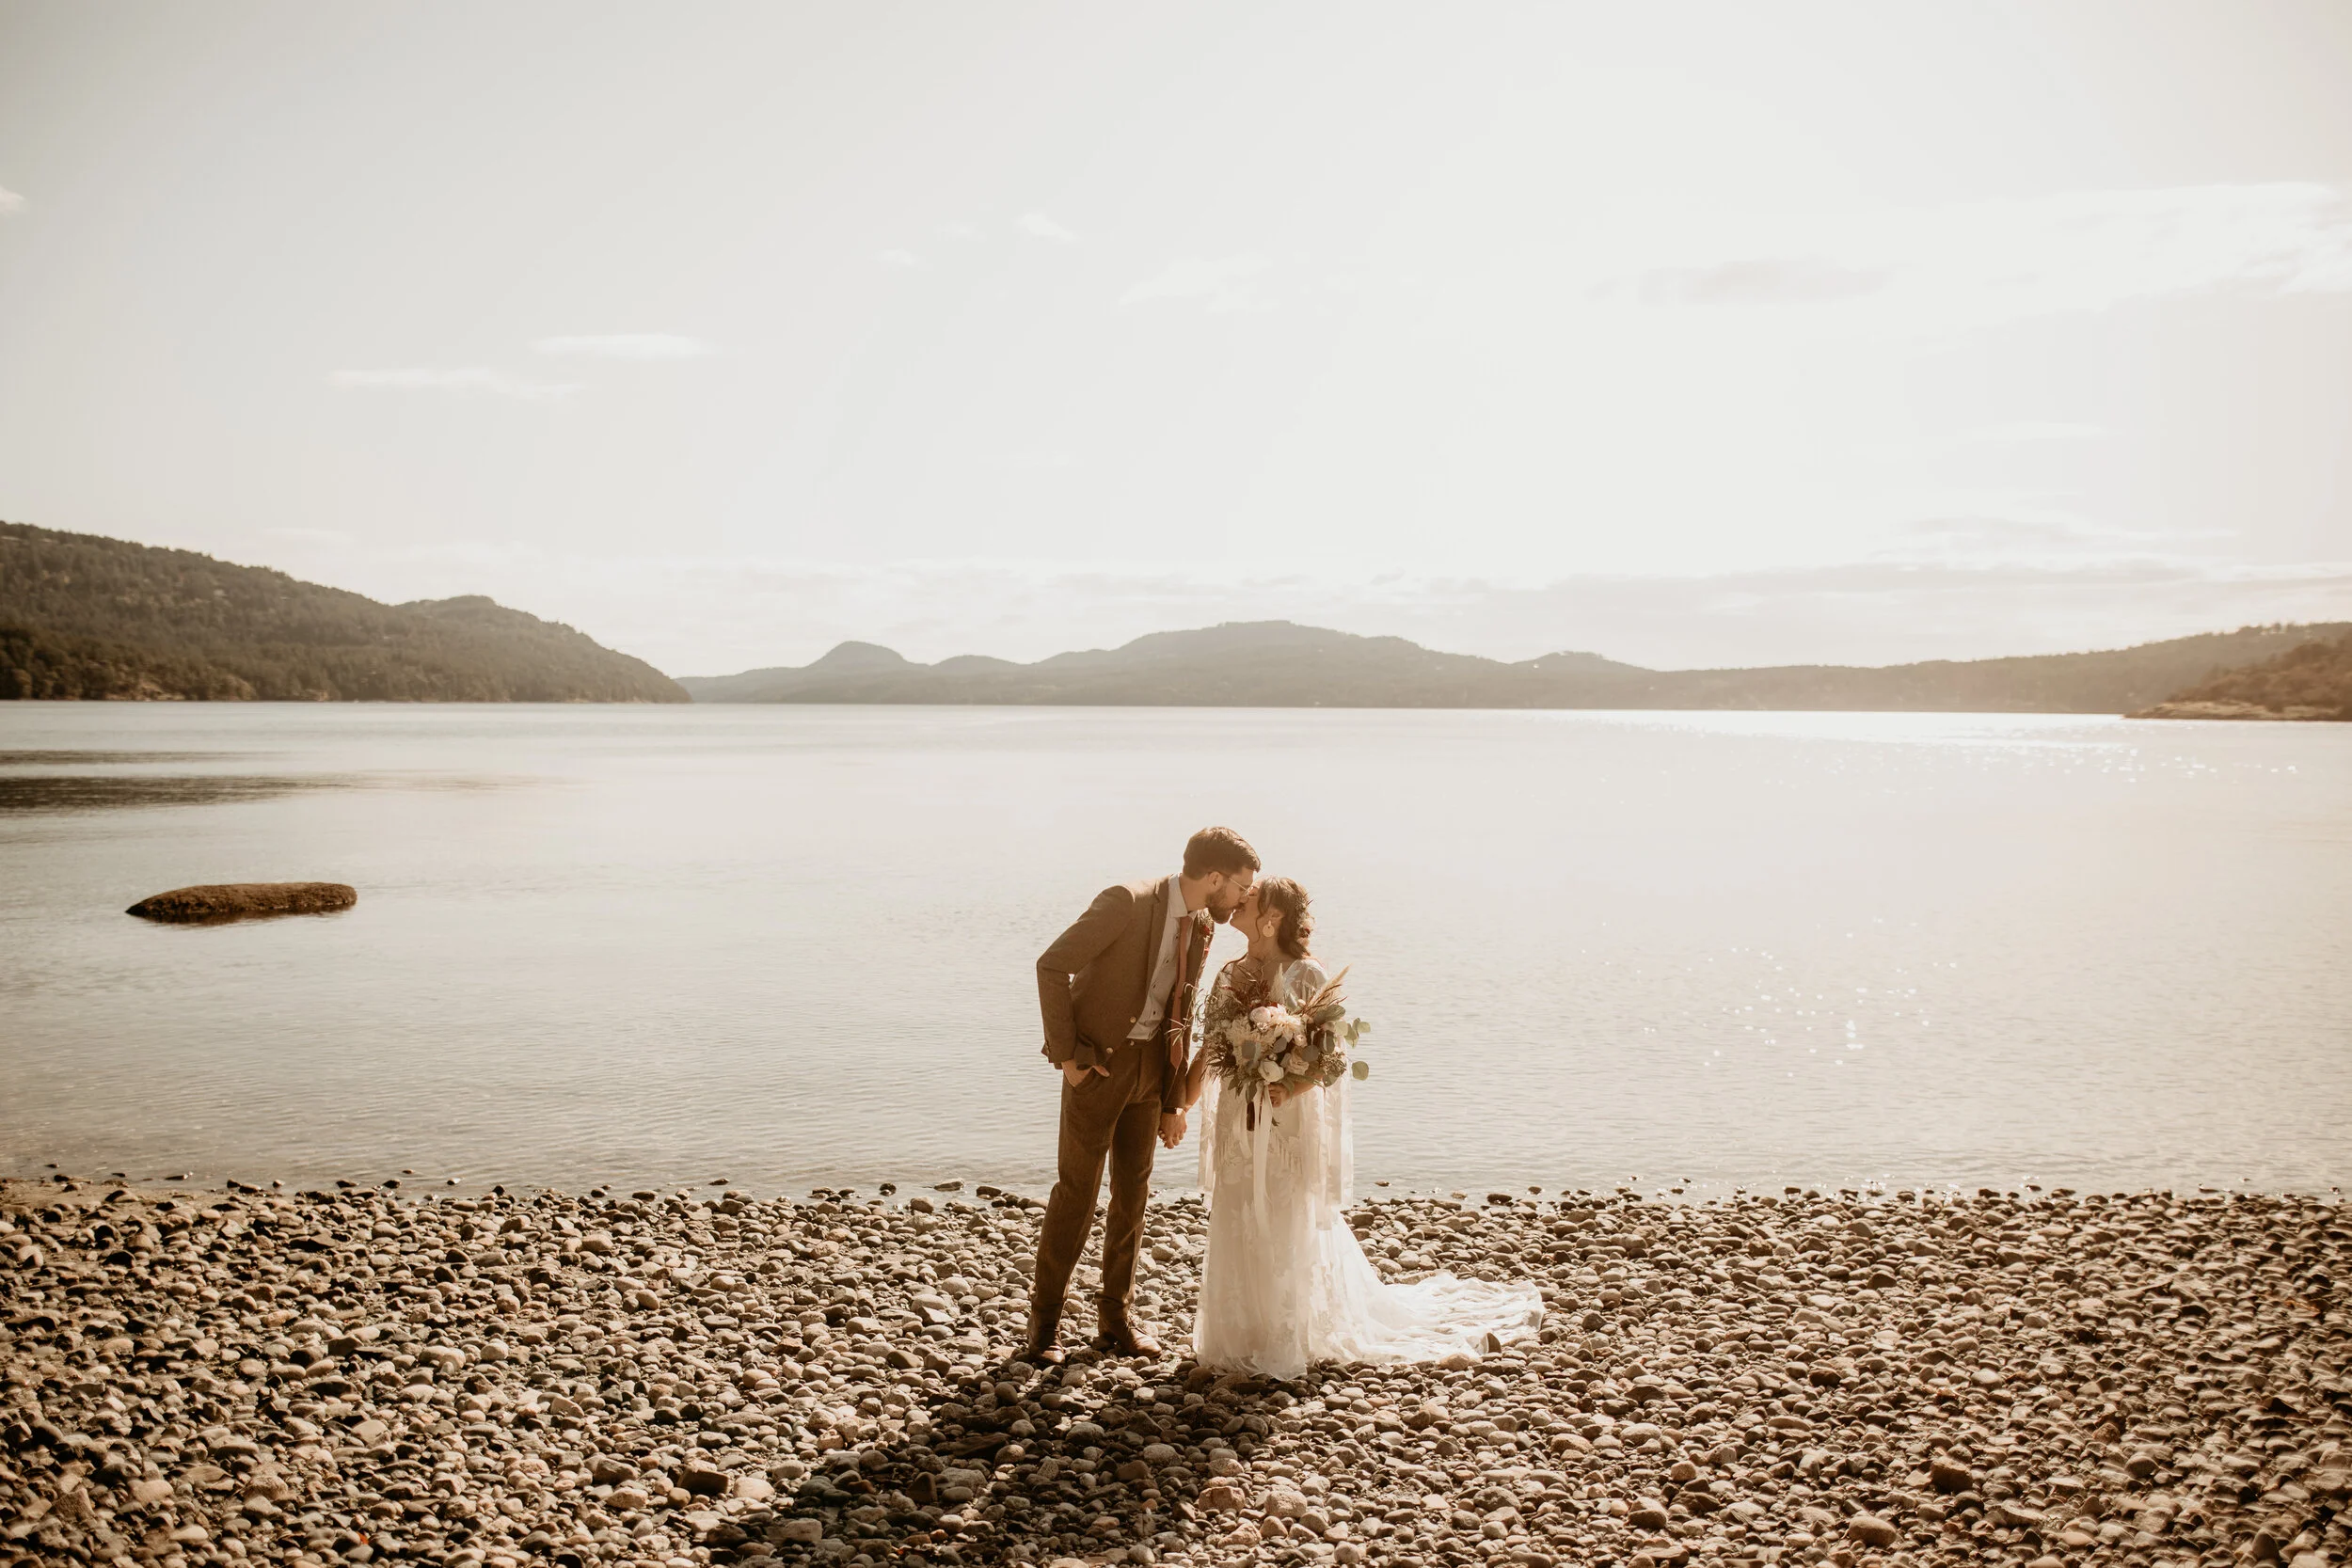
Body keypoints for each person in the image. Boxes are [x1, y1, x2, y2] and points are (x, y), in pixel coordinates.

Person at [1188, 877, 1543, 1380]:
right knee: (1240, 1205)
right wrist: (1175, 1107)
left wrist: (1288, 1087)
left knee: (1284, 1211)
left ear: (1272, 918)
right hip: (1240, 1115)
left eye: (1251, 899)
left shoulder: (1308, 975)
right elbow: (1212, 1049)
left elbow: (1330, 1059)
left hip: (1285, 1115)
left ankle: (1286, 1333)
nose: (1240, 902)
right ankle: (1241, 1333)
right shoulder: (1229, 973)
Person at [1025, 826, 1260, 1363]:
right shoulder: (1126, 903)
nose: (1245, 897)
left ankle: (1115, 1323)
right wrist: (1068, 1058)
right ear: (1216, 877)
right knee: (1077, 1196)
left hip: (1152, 1075)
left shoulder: (1202, 923)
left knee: (1132, 1199)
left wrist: (1175, 1099)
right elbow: (1051, 965)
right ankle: (1043, 1331)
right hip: (1098, 1069)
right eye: (1242, 886)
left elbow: (1182, 1012)